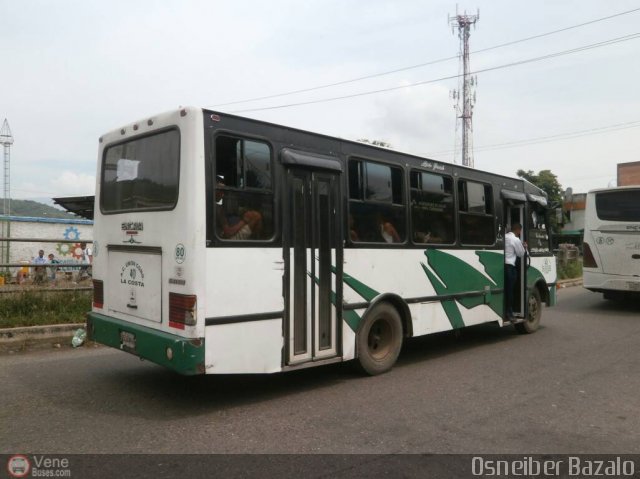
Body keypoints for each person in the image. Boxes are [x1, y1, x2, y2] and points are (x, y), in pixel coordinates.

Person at [504, 223, 527, 321]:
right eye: (520, 231)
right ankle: (509, 313)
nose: (520, 233)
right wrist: (524, 247)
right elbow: (521, 253)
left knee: (505, 290)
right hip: (510, 267)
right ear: (518, 230)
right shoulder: (515, 239)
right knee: (510, 291)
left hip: (502, 267)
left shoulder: (504, 237)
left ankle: (505, 311)